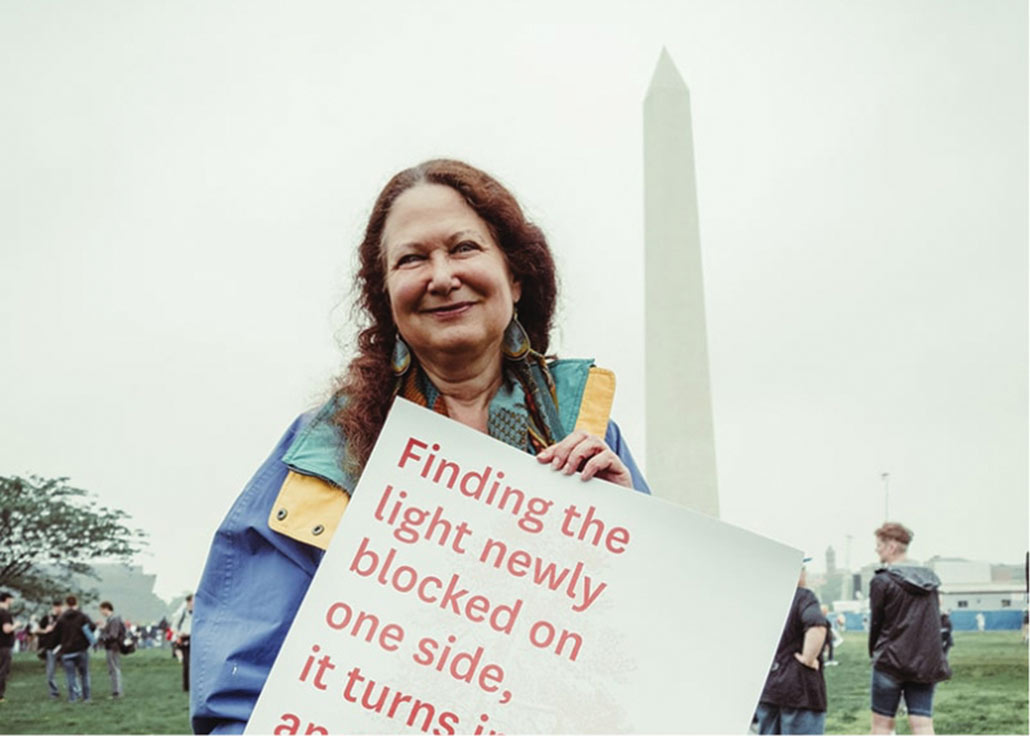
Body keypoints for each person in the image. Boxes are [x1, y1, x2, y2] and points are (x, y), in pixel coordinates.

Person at [190, 159, 651, 734]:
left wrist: (631, 534)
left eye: (463, 248)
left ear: (516, 277)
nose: (441, 276)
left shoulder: (588, 429)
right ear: (386, 296)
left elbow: (648, 646)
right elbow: (240, 683)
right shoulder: (325, 449)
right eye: (412, 258)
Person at [868, 522, 950, 735]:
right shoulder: (931, 581)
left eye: (879, 544)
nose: (876, 549)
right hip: (924, 663)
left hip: (890, 660)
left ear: (891, 547)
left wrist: (873, 652)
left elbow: (876, 623)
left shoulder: (881, 581)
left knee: (881, 726)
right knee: (922, 725)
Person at [755, 562, 829, 734]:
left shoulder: (763, 600)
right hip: (799, 688)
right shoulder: (803, 597)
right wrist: (808, 658)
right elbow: (816, 625)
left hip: (767, 686)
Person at [53, 594, 95, 703]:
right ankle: (87, 697)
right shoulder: (82, 616)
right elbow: (92, 627)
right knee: (84, 674)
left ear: (66, 604)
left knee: (70, 676)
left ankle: (73, 698)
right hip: (81, 649)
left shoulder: (61, 619)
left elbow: (56, 635)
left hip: (67, 651)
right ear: (76, 603)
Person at [35, 600, 64, 699]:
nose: (58, 608)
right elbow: (37, 630)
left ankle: (75, 690)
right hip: (51, 646)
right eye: (56, 606)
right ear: (53, 607)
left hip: (63, 647)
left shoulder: (64, 618)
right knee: (50, 671)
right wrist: (45, 630)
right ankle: (53, 692)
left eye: (60, 606)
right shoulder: (47, 618)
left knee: (70, 669)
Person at [98, 601, 125, 698]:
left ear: (106, 609)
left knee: (114, 669)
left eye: (101, 610)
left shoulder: (114, 620)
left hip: (112, 647)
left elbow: (113, 635)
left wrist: (103, 636)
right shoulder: (112, 620)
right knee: (113, 669)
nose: (101, 612)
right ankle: (116, 691)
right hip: (112, 647)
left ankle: (117, 692)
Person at [0, 591, 23, 704]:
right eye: (11, 599)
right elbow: (7, 629)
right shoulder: (5, 614)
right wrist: (16, 625)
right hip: (3, 645)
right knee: (3, 670)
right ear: (7, 599)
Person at [173, 595, 193, 692]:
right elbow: (174, 627)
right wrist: (180, 634)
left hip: (195, 638)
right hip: (185, 638)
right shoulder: (182, 613)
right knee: (187, 664)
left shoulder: (199, 612)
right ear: (188, 602)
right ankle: (186, 686)